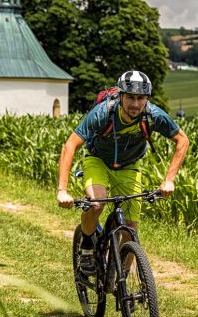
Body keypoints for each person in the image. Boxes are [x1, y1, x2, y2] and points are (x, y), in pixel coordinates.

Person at [56, 70, 190, 274]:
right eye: (130, 97)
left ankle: (122, 281)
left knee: (130, 228)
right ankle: (86, 248)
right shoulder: (104, 113)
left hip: (128, 166)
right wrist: (62, 190)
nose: (135, 104)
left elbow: (182, 140)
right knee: (97, 203)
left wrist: (169, 180)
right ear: (120, 96)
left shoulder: (153, 115)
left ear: (146, 98)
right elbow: (70, 145)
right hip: (98, 161)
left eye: (141, 98)